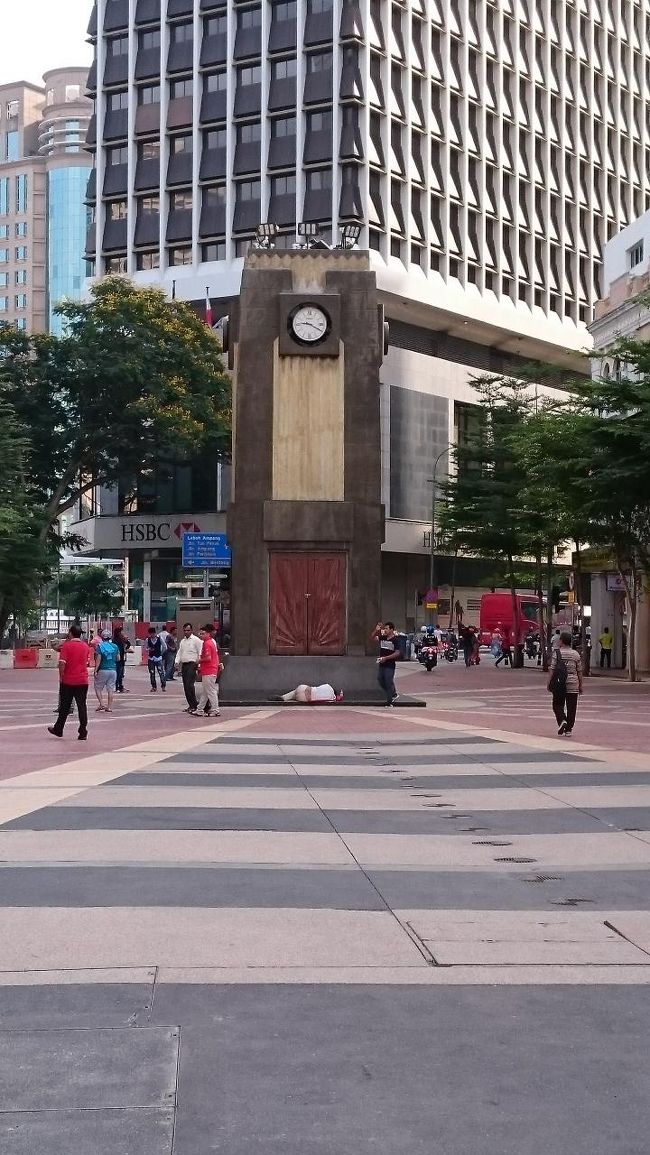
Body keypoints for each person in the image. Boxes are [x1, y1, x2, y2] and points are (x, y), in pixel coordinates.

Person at [48, 624, 91, 741]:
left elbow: (62, 663)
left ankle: (59, 728)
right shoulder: (85, 646)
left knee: (65, 707)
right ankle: (83, 731)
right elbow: (86, 662)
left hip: (68, 680)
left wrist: (61, 676)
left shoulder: (67, 646)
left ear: (70, 633)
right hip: (82, 680)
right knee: (82, 706)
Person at [548, 628, 583, 736]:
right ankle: (568, 730)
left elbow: (552, 669)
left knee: (557, 705)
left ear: (562, 641)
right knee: (572, 707)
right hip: (573, 683)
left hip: (559, 683)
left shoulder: (556, 653)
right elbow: (579, 671)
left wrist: (549, 682)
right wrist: (580, 685)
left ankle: (562, 720)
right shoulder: (576, 654)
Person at [191, 623, 221, 717]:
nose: (201, 635)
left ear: (208, 634)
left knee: (210, 691)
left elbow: (208, 658)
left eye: (203, 633)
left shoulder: (207, 644)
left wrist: (199, 660)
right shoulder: (210, 642)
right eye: (201, 633)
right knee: (206, 691)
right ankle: (200, 709)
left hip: (209, 670)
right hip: (210, 670)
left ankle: (215, 709)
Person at [175, 622, 203, 713]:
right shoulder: (183, 641)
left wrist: (199, 665)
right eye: (185, 630)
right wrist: (176, 661)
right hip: (185, 665)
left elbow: (200, 652)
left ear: (191, 630)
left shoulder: (196, 640)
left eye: (188, 630)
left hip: (192, 664)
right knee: (185, 686)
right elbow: (180, 652)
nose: (186, 632)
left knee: (189, 685)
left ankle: (194, 705)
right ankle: (191, 705)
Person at [370, 621, 400, 705]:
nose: (385, 630)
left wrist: (386, 658)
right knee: (380, 679)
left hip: (390, 664)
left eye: (387, 629)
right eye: (385, 628)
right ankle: (393, 693)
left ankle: (389, 701)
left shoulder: (395, 640)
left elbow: (397, 653)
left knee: (388, 680)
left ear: (392, 630)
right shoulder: (383, 637)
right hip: (382, 663)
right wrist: (376, 630)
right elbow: (372, 638)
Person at [94, 628, 119, 712]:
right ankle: (109, 707)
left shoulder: (100, 646)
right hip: (113, 670)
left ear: (102, 637)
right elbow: (118, 658)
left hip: (103, 669)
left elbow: (98, 659)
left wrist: (95, 670)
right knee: (110, 689)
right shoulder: (115, 646)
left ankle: (101, 704)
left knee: (98, 687)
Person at [145, 626, 167, 692]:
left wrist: (161, 653)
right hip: (151, 658)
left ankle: (163, 685)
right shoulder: (147, 640)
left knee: (161, 672)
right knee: (152, 673)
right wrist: (149, 649)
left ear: (155, 633)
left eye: (153, 633)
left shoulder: (159, 638)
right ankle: (154, 686)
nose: (152, 635)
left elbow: (164, 646)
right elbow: (145, 648)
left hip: (158, 658)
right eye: (150, 634)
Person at [112, 626, 132, 693]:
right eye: (120, 632)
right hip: (117, 659)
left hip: (122, 658)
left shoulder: (122, 640)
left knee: (121, 674)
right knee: (118, 673)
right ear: (118, 633)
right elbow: (117, 650)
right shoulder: (115, 640)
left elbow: (128, 644)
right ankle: (117, 687)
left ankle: (120, 687)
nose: (122, 633)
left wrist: (126, 641)